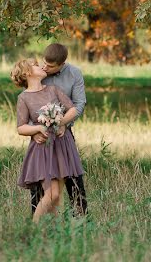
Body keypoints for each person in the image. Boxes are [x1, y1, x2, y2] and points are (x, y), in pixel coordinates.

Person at [11, 58, 84, 221]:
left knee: (56, 198)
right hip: (43, 149)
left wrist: (61, 122)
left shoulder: (52, 89)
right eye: (36, 65)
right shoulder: (24, 98)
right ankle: (34, 227)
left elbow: (72, 109)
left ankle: (53, 231)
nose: (41, 66)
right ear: (27, 73)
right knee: (52, 194)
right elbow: (20, 127)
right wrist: (37, 128)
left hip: (61, 146)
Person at [29, 43, 89, 216]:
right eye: (44, 63)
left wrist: (62, 123)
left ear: (62, 64)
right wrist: (34, 133)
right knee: (40, 180)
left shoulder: (74, 73)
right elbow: (29, 102)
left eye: (51, 66)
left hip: (64, 134)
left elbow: (79, 104)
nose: (46, 67)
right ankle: (36, 221)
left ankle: (81, 220)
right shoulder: (39, 73)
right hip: (40, 133)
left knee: (73, 178)